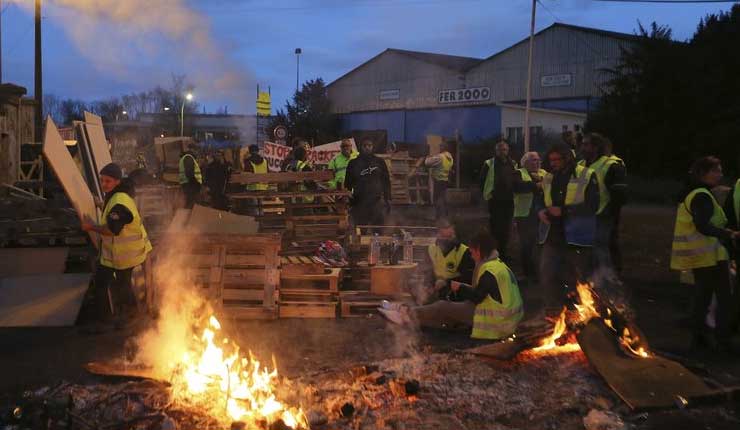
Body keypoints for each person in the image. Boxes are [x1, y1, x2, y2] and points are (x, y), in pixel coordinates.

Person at [379, 231, 523, 340]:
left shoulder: (489, 270)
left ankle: (405, 314)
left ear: (478, 250)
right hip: (508, 321)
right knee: (446, 311)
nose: (472, 256)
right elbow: (486, 293)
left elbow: (477, 297)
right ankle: (407, 313)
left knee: (442, 307)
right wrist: (460, 287)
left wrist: (460, 288)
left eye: (472, 252)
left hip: (497, 324)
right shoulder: (498, 266)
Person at [671, 156, 739, 352]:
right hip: (711, 257)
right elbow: (703, 226)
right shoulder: (702, 196)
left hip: (701, 257)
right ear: (703, 173)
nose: (720, 174)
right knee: (724, 299)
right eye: (716, 171)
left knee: (702, 297)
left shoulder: (692, 193)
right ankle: (723, 340)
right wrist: (728, 233)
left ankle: (699, 338)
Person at [81, 163, 152, 329]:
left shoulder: (120, 202)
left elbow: (112, 230)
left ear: (118, 182)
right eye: (102, 180)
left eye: (108, 181)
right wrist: (100, 204)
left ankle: (124, 320)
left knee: (120, 287)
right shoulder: (117, 196)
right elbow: (112, 212)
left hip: (124, 255)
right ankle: (121, 317)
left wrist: (90, 226)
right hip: (116, 255)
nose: (104, 184)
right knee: (109, 284)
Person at [536, 143, 599, 316]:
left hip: (577, 236)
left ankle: (579, 314)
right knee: (547, 273)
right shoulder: (548, 177)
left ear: (567, 158)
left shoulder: (586, 175)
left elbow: (593, 204)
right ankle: (552, 314)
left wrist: (565, 210)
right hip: (552, 234)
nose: (553, 163)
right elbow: (540, 200)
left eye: (557, 159)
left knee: (576, 278)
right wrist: (540, 210)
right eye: (551, 160)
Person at [579, 133, 627, 273]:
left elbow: (620, 195)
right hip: (583, 215)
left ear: (596, 147)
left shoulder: (611, 165)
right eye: (582, 144)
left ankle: (607, 278)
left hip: (603, 214)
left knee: (601, 247)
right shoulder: (580, 165)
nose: (583, 148)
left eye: (586, 144)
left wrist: (610, 213)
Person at [420, 218, 475, 304]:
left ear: (455, 234)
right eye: (443, 236)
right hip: (436, 293)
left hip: (456, 296)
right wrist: (428, 285)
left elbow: (468, 278)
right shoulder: (431, 249)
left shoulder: (464, 252)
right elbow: (427, 271)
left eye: (449, 237)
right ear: (438, 234)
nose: (446, 240)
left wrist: (446, 282)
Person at [480, 139, 517, 261]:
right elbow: (481, 181)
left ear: (508, 150)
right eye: (500, 149)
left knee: (506, 228)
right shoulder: (489, 163)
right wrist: (487, 196)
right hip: (495, 201)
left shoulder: (512, 163)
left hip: (509, 200)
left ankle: (503, 252)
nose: (502, 152)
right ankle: (494, 252)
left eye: (505, 149)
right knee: (495, 228)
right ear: (496, 151)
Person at [512, 151, 546, 283]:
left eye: (538, 160)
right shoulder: (518, 173)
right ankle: (527, 273)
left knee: (541, 243)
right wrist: (535, 185)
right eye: (533, 160)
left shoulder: (544, 173)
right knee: (526, 244)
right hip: (524, 214)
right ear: (525, 162)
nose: (537, 162)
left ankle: (539, 271)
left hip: (542, 214)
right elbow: (516, 186)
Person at [344, 139, 392, 227]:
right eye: (364, 146)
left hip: (376, 201)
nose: (367, 148)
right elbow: (347, 183)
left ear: (372, 147)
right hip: (359, 201)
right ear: (361, 147)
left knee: (378, 229)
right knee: (361, 229)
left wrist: (387, 197)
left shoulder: (380, 162)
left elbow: (386, 181)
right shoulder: (353, 163)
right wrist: (348, 197)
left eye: (369, 145)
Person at [421, 141, 454, 218]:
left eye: (440, 146)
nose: (439, 148)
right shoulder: (450, 158)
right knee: (442, 197)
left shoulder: (440, 157)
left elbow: (427, 163)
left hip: (438, 180)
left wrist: (428, 157)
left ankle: (439, 215)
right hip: (445, 180)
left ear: (443, 148)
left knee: (437, 198)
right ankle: (444, 214)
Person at [179, 143, 202, 209]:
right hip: (190, 185)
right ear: (193, 149)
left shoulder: (187, 157)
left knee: (189, 203)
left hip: (187, 184)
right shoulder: (188, 157)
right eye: (196, 150)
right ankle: (187, 218)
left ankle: (185, 217)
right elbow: (189, 173)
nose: (197, 152)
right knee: (191, 204)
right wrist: (196, 183)